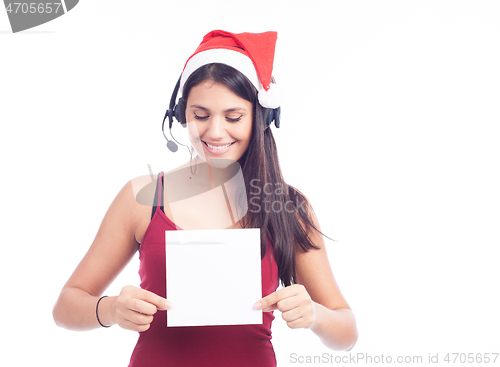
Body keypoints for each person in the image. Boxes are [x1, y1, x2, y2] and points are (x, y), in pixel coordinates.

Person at [52, 30, 358, 366]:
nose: (214, 132)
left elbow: (346, 334)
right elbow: (66, 306)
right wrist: (109, 309)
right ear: (181, 114)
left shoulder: (289, 208)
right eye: (200, 115)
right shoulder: (144, 198)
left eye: (233, 117)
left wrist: (314, 314)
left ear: (261, 117)